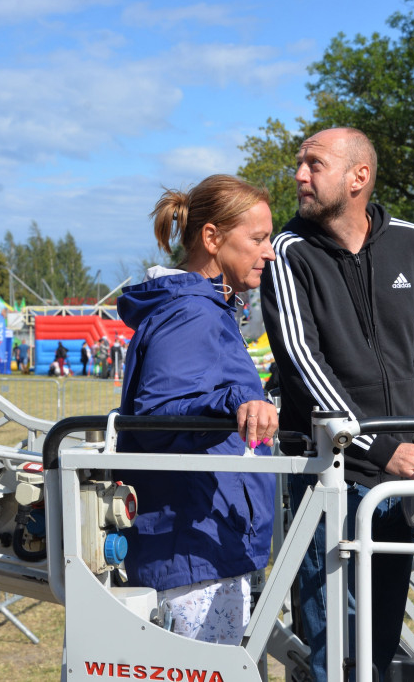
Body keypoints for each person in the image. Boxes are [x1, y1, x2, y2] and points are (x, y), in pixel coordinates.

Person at [260, 127, 414, 680]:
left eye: (314, 164)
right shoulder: (287, 252)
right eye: (299, 164)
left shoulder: (413, 242)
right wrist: (378, 444)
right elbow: (303, 362)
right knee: (331, 645)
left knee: (379, 637)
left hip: (398, 475)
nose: (299, 175)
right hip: (327, 474)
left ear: (359, 177)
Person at [116, 174, 278, 645]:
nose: (269, 251)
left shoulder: (204, 307)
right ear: (211, 238)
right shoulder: (192, 311)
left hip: (201, 541)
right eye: (258, 239)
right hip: (192, 551)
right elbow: (158, 415)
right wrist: (236, 402)